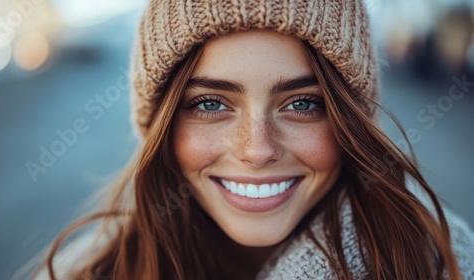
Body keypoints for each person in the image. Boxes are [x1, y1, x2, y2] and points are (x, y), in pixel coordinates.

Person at [38, 0, 474, 279]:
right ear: (162, 126)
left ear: (351, 122)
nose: (257, 149)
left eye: (303, 103)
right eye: (210, 104)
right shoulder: (87, 273)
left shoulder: (441, 262)